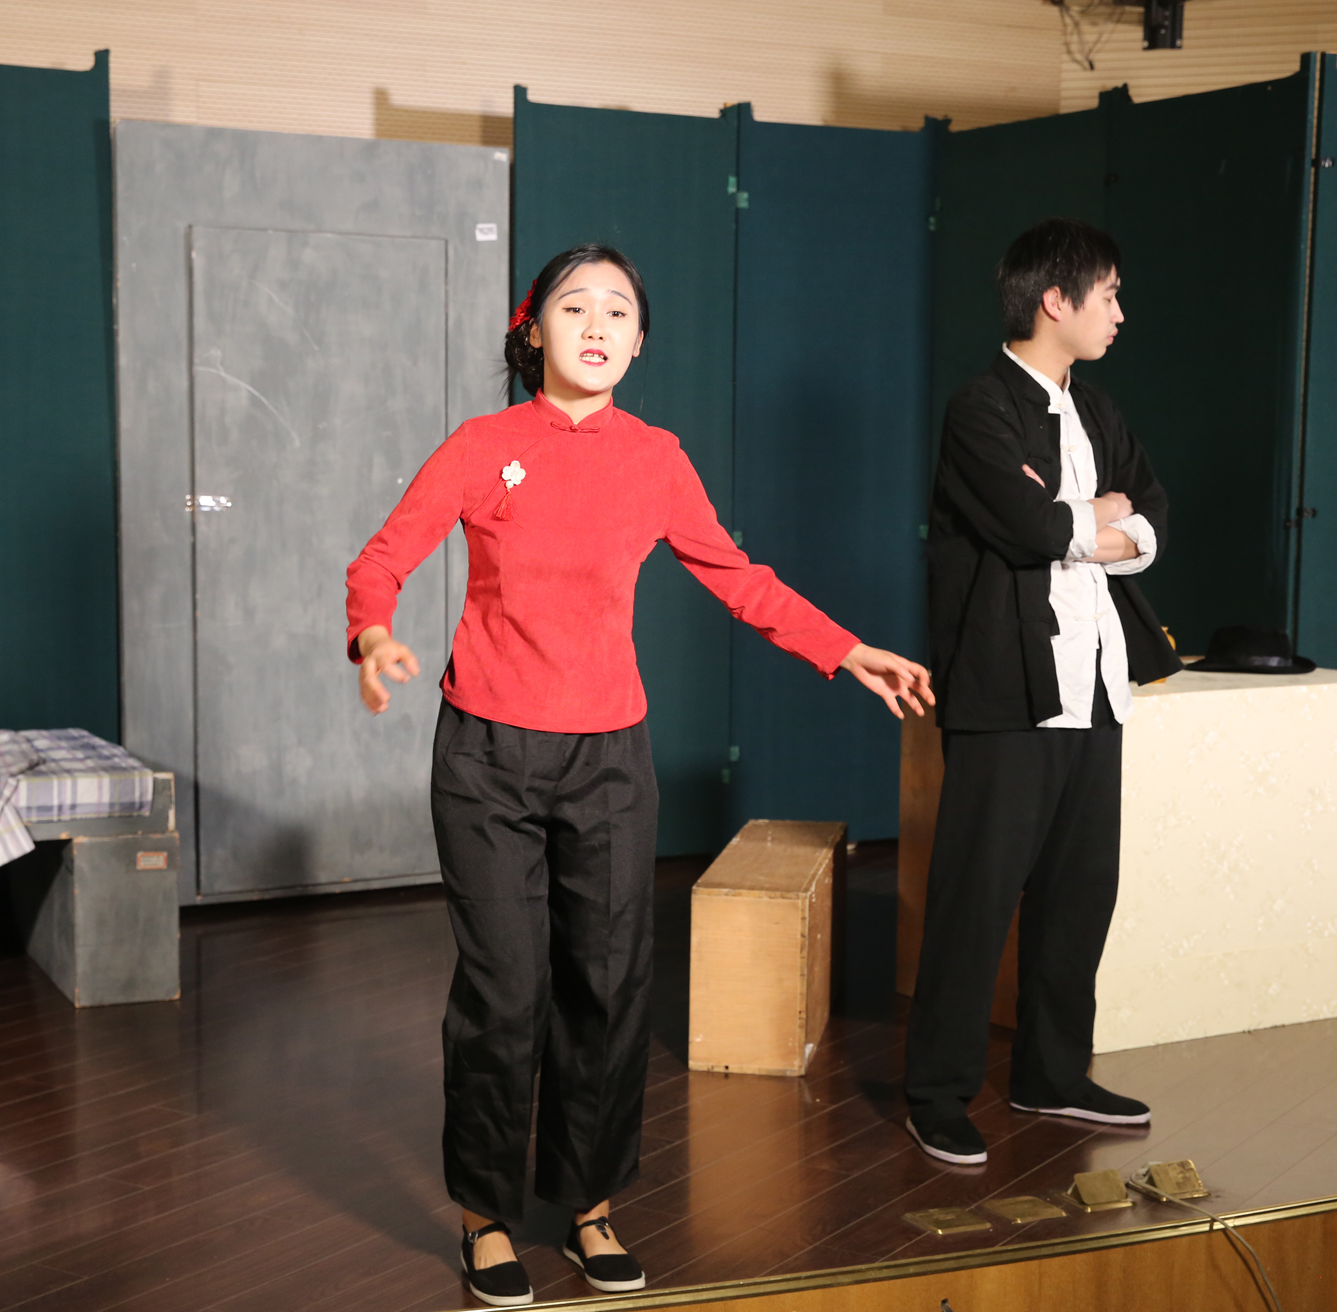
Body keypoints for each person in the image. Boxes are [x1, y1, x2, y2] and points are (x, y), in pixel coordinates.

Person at [345, 243, 934, 1305]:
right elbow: (381, 559)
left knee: (609, 985)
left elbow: (737, 577)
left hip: (609, 759)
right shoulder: (482, 446)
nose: (596, 324)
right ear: (532, 330)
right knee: (504, 993)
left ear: (639, 340)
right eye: (574, 306)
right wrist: (374, 635)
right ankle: (485, 1216)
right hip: (485, 754)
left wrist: (845, 649)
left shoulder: (656, 458)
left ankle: (588, 1204)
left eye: (617, 310)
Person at [903, 217, 1181, 1166]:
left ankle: (1052, 1074)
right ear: (1054, 301)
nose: (1119, 313)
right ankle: (936, 1092)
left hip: (1095, 684)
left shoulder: (1097, 409)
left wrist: (1092, 522)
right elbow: (1026, 528)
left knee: (1078, 891)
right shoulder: (978, 408)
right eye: (1108, 294)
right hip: (1005, 690)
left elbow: (1152, 514)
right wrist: (1088, 518)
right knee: (975, 897)